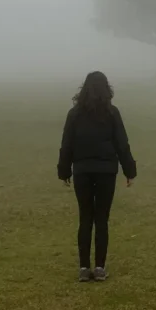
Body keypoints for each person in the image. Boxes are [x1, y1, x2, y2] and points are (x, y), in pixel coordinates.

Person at [57, 71, 137, 282]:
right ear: (106, 89)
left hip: (82, 171)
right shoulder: (112, 113)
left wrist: (64, 171)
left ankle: (84, 268)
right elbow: (122, 143)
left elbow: (66, 145)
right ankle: (100, 267)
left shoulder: (74, 114)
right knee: (102, 219)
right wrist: (130, 171)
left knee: (85, 218)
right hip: (106, 172)